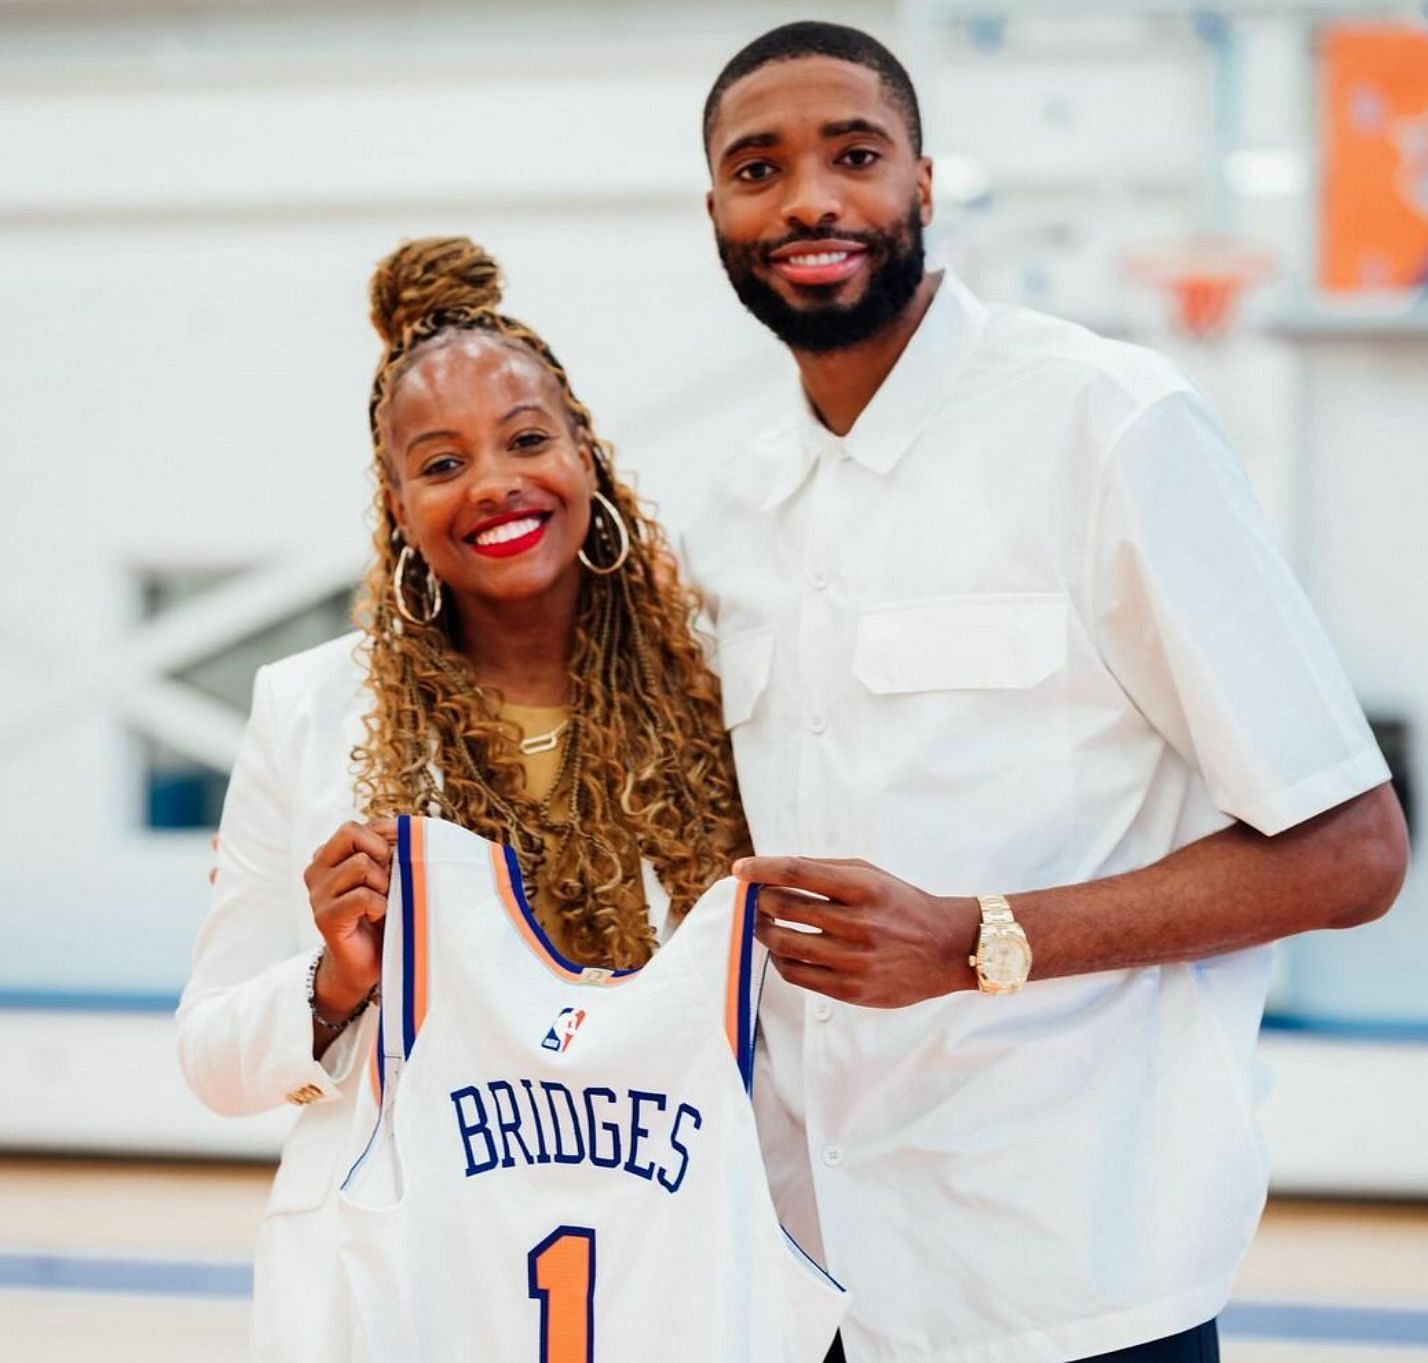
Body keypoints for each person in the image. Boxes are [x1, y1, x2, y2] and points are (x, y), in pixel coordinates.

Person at [686, 21, 1411, 1363]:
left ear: (923, 184)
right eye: (757, 168)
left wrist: (975, 935)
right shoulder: (734, 512)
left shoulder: (1108, 424)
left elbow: (1354, 850)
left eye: (855, 154)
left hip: (1069, 1285)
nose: (809, 200)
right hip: (808, 1279)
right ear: (718, 211)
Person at [176, 237, 749, 1361]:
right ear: (397, 504)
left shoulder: (726, 686)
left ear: (587, 454)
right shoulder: (308, 710)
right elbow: (212, 1055)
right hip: (410, 1289)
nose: (494, 483)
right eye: (440, 463)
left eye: (527, 438)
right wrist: (332, 983)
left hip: (663, 1255)